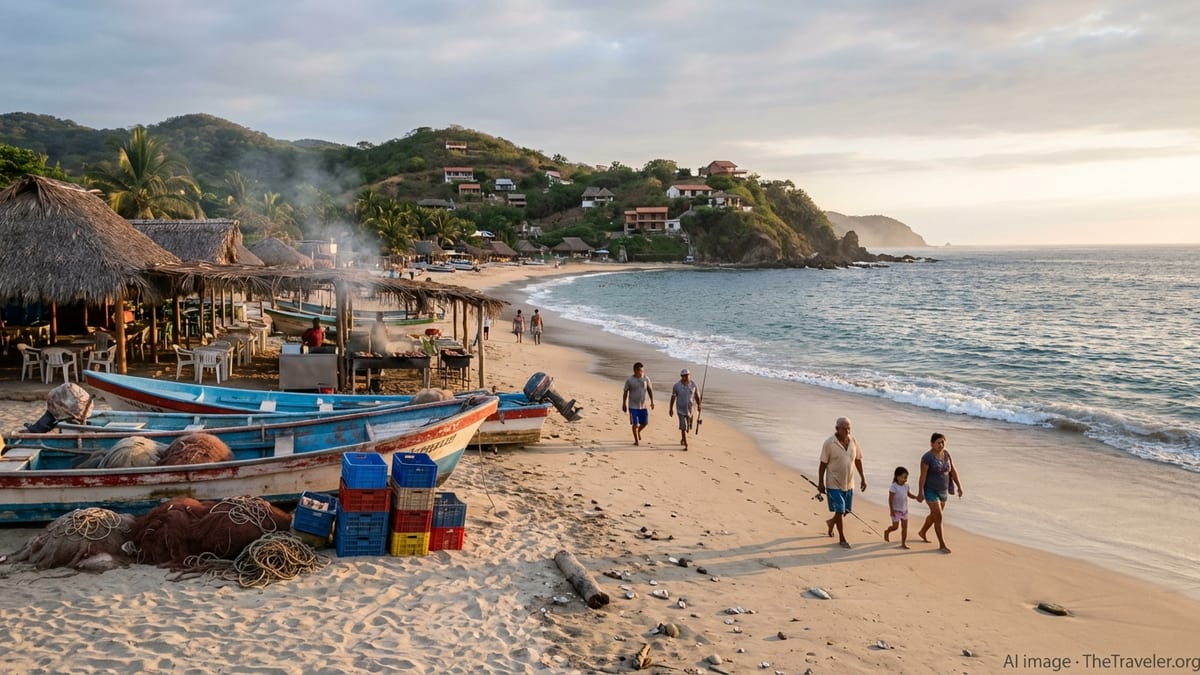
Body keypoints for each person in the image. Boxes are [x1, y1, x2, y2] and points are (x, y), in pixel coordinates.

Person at [817, 417, 867, 548]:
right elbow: (822, 464)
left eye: (849, 428)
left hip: (849, 482)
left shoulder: (853, 441)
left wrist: (863, 478)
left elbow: (858, 460)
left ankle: (831, 522)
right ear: (837, 429)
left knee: (846, 510)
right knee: (840, 507)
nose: (848, 431)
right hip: (833, 482)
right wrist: (820, 483)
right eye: (845, 428)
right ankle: (842, 539)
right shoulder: (829, 443)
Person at [917, 432, 962, 554]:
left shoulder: (946, 454)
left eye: (943, 442)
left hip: (943, 490)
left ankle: (922, 532)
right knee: (939, 516)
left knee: (934, 515)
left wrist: (959, 486)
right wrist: (920, 492)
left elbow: (953, 470)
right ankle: (942, 544)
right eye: (938, 442)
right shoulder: (927, 458)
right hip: (930, 490)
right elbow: (923, 476)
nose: (941, 445)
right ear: (932, 444)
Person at [883, 466, 919, 548]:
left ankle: (903, 543)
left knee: (904, 528)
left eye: (906, 478)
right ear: (897, 477)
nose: (905, 480)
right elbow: (890, 499)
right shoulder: (894, 487)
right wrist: (891, 510)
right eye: (904, 477)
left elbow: (909, 495)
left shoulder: (906, 486)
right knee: (895, 527)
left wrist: (916, 497)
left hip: (904, 511)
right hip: (896, 510)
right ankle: (887, 531)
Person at [621, 362, 655, 446]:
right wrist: (624, 403)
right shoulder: (630, 380)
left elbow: (650, 390)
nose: (642, 373)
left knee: (645, 423)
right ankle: (636, 441)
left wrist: (652, 401)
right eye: (640, 371)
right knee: (635, 424)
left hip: (643, 406)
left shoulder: (646, 378)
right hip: (633, 406)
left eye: (643, 371)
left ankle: (638, 431)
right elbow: (625, 392)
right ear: (635, 370)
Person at [667, 368, 701, 450]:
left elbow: (697, 396)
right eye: (684, 376)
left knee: (689, 423)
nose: (686, 377)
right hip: (680, 409)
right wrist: (670, 408)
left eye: (688, 375)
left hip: (690, 408)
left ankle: (685, 433)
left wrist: (699, 404)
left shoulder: (693, 384)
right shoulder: (676, 386)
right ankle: (686, 444)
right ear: (681, 376)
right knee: (683, 427)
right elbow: (673, 397)